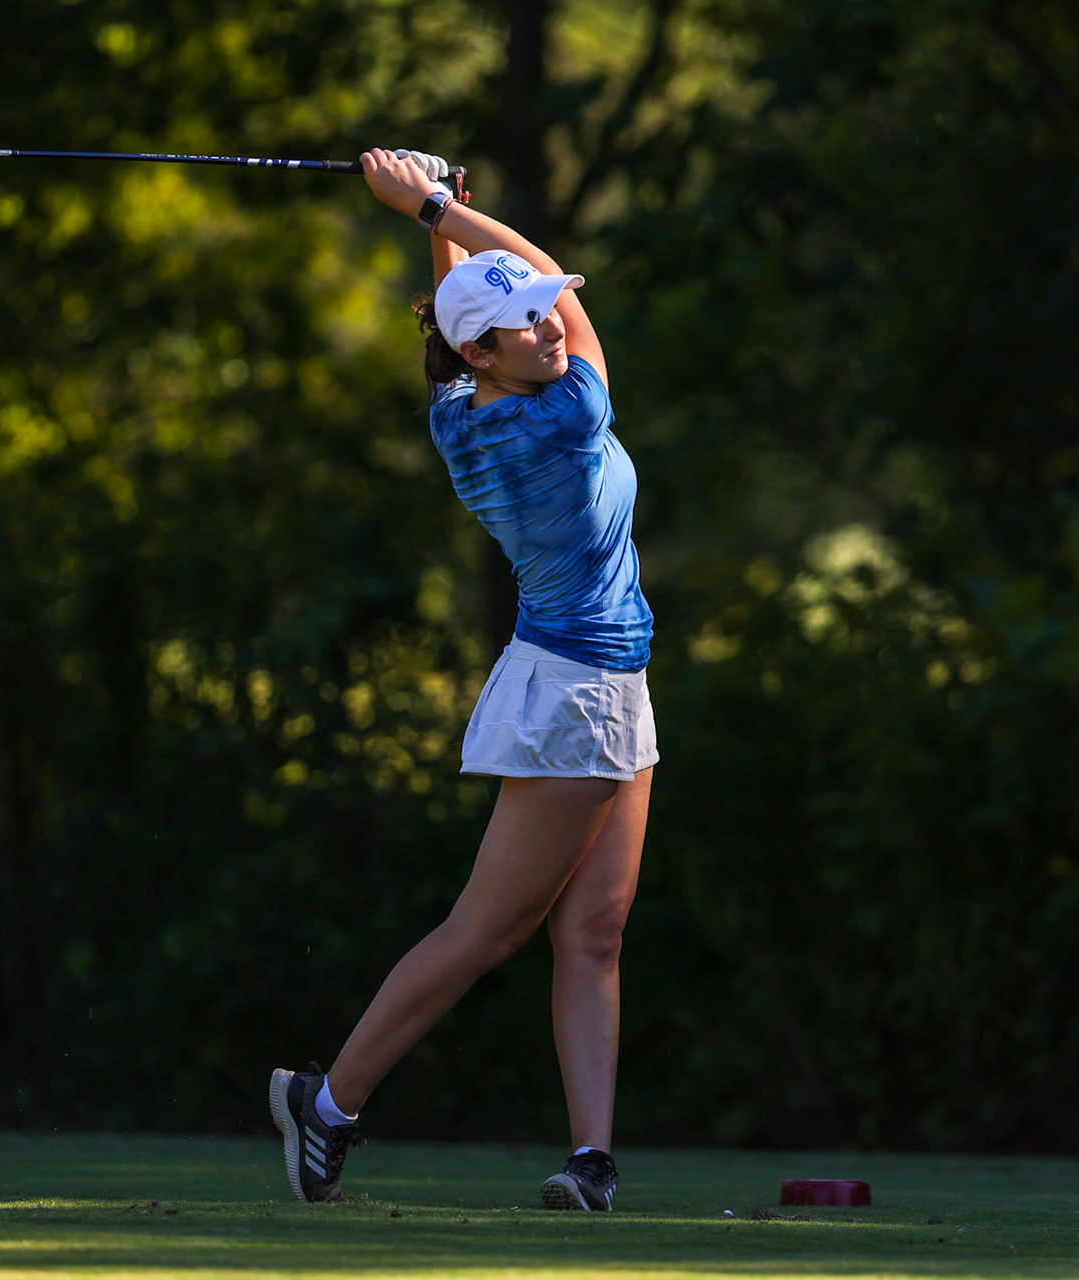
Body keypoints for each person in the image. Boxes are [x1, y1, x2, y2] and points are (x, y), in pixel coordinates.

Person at [269, 147, 656, 1213]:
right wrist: (436, 203)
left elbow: (472, 316)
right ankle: (329, 1103)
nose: (548, 325)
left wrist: (433, 222)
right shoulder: (560, 417)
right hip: (577, 689)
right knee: (487, 929)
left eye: (540, 317)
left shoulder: (462, 407)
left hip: (608, 685)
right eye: (525, 323)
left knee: (595, 930)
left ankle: (591, 1160)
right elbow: (572, 303)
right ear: (487, 351)